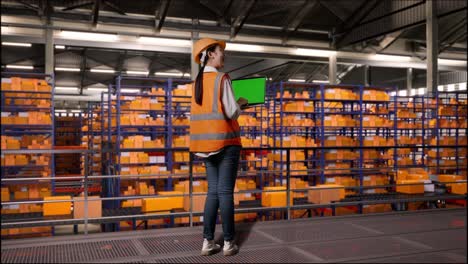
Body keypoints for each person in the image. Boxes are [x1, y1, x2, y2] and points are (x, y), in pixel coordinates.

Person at [189, 38, 248, 256]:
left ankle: (207, 242)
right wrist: (241, 103)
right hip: (225, 142)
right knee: (225, 192)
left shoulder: (196, 82)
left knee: (212, 193)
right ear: (211, 54)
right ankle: (229, 243)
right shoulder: (222, 79)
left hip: (204, 145)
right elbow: (232, 112)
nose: (224, 55)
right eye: (221, 51)